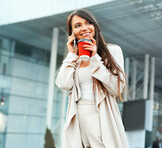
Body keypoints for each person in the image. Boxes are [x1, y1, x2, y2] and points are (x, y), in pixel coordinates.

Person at [55, 9, 130, 148]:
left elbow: (117, 88)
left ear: (95, 26)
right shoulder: (74, 59)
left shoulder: (113, 51)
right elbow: (63, 83)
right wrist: (71, 55)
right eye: (77, 25)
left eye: (88, 23)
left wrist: (95, 58)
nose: (84, 28)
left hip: (101, 116)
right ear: (72, 33)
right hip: (78, 118)